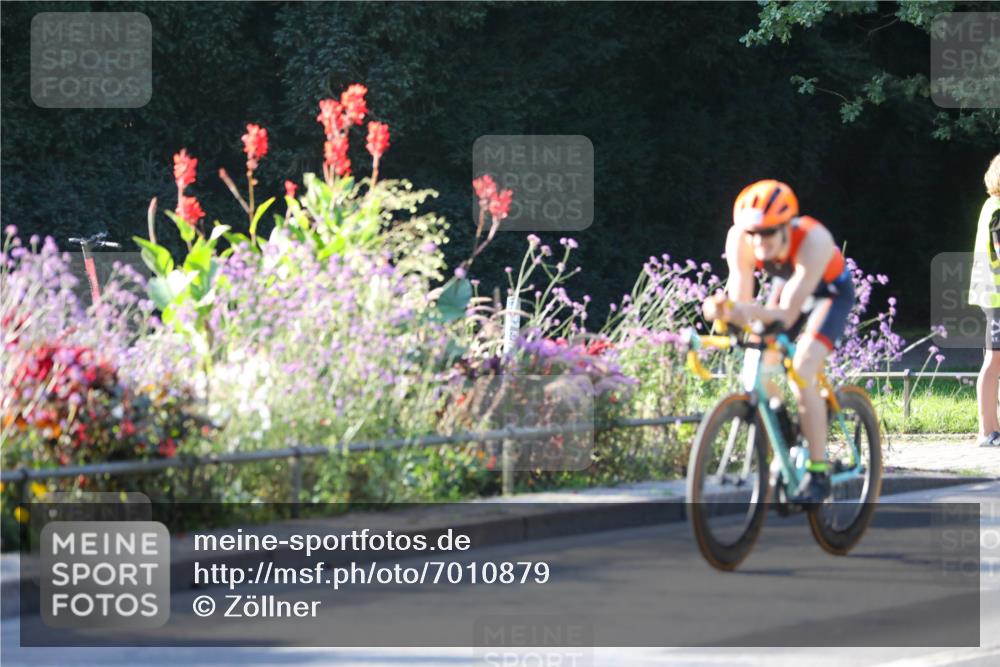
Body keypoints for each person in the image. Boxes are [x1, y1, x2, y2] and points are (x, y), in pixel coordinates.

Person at [703, 179, 856, 503]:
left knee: (802, 368)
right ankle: (786, 432)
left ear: (787, 226)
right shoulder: (739, 239)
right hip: (789, 285)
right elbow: (741, 300)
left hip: (828, 293)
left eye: (769, 232)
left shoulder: (814, 239)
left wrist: (742, 311)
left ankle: (818, 471)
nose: (759, 241)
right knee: (756, 365)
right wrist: (721, 310)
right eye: (753, 233)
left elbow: (785, 315)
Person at [968, 154, 1000, 447]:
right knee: (993, 361)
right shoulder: (999, 209)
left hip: (991, 293)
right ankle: (987, 432)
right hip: (997, 297)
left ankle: (992, 429)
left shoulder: (991, 205)